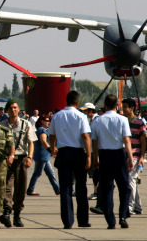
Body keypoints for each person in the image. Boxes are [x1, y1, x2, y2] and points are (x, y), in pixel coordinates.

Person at [48, 90, 92, 229]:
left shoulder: (57, 115)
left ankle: (67, 221)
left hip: (63, 153)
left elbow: (52, 134)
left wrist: (53, 147)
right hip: (78, 153)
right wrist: (89, 155)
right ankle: (83, 220)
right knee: (81, 188)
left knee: (66, 188)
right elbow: (85, 136)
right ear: (77, 102)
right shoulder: (81, 116)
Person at [90, 94, 132, 229]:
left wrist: (95, 157)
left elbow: (94, 141)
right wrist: (130, 158)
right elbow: (126, 140)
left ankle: (110, 220)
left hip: (104, 155)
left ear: (105, 105)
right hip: (119, 154)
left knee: (107, 188)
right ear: (117, 105)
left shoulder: (97, 120)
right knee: (124, 187)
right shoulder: (122, 119)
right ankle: (123, 215)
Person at [0, 99, 36, 227]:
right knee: (6, 187)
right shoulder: (2, 125)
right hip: (7, 160)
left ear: (19, 109)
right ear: (7, 111)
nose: (13, 110)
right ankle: (7, 212)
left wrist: (30, 157)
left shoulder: (26, 124)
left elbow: (31, 142)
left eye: (15, 107)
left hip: (21, 159)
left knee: (21, 188)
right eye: (10, 108)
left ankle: (17, 215)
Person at [27, 115, 60, 196]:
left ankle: (58, 189)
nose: (48, 122)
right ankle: (30, 190)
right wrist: (50, 150)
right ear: (42, 121)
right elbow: (43, 141)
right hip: (42, 155)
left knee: (50, 173)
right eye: (47, 120)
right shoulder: (42, 130)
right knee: (38, 173)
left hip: (43, 155)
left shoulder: (40, 130)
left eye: (49, 121)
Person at [122, 98, 145, 215]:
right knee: (132, 181)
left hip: (135, 156)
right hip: (125, 155)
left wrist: (142, 156)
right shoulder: (123, 121)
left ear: (132, 108)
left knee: (130, 180)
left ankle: (129, 207)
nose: (123, 109)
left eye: (125, 106)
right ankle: (137, 206)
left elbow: (143, 141)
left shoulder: (140, 123)